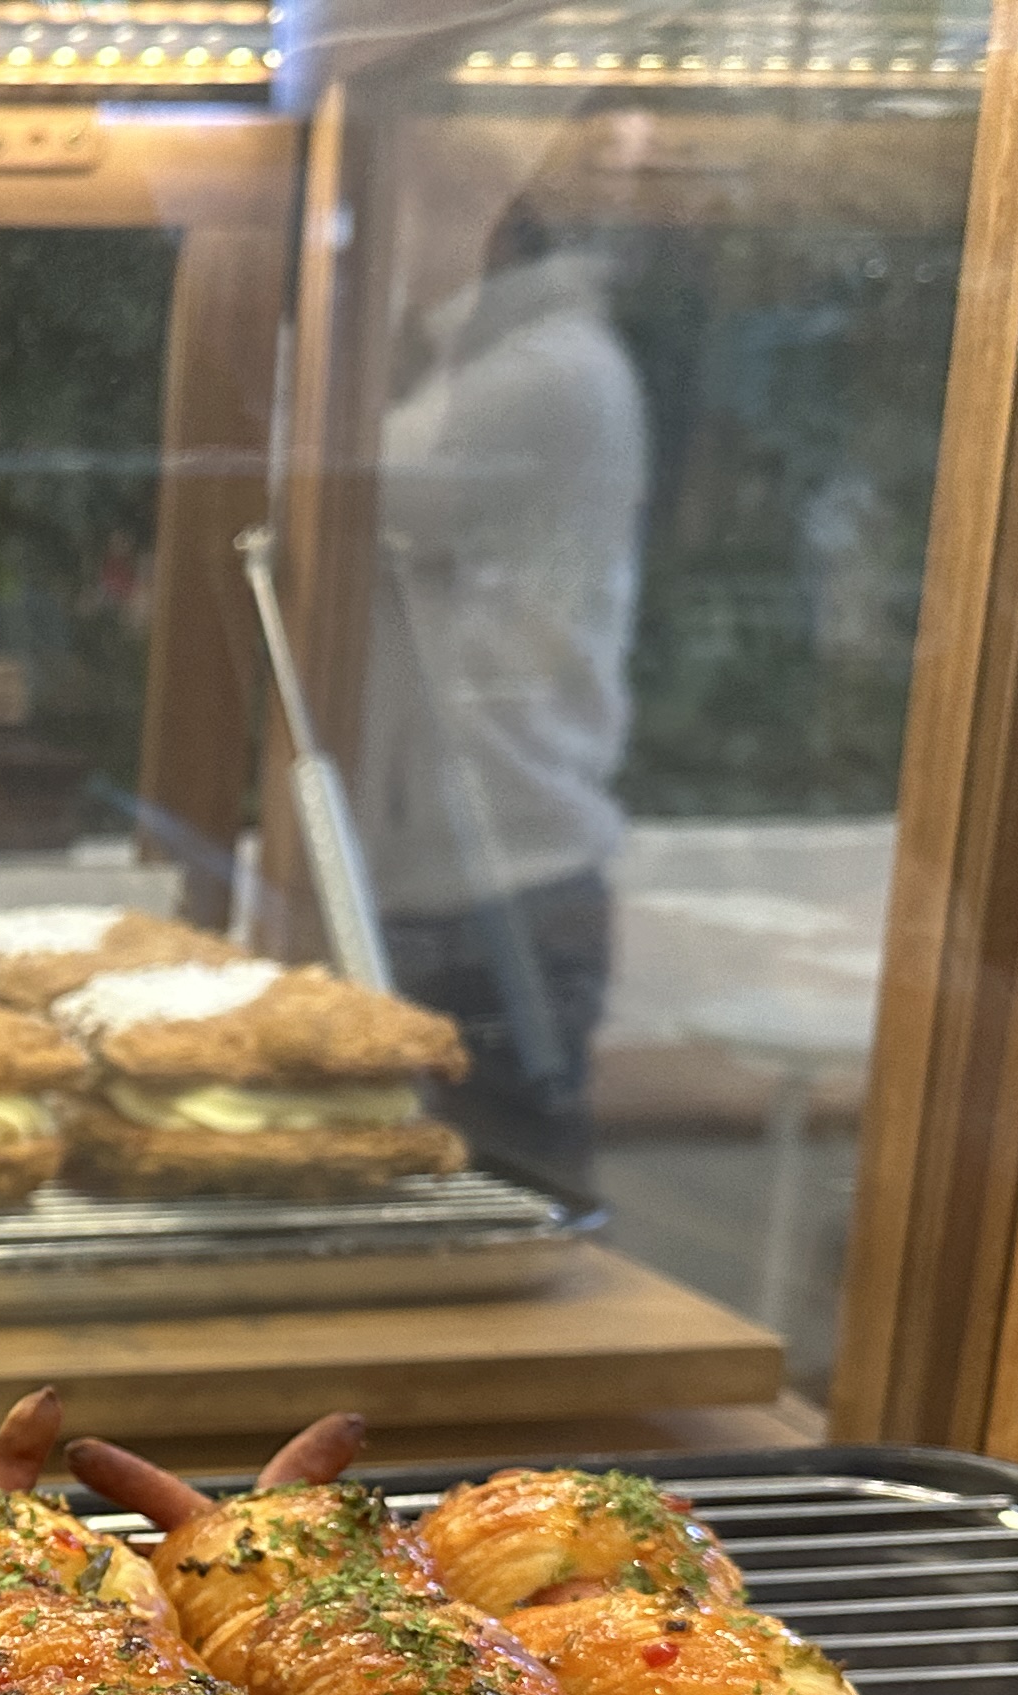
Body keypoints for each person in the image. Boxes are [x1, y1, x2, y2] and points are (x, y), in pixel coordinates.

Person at [355, 105, 650, 1193]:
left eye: (382, 213)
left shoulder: (546, 373)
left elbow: (331, 481)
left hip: (499, 893)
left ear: (477, 214)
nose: (364, 244)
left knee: (515, 1217)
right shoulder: (464, 365)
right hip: (450, 882)